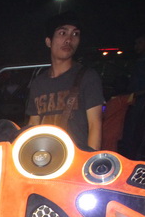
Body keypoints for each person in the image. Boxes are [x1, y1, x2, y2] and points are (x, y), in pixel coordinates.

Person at [26, 11, 104, 150]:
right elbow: (33, 124)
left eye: (75, 34)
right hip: (45, 156)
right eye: (62, 33)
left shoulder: (88, 77)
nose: (69, 40)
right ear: (48, 41)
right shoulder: (38, 83)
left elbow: (95, 125)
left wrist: (90, 159)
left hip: (77, 157)